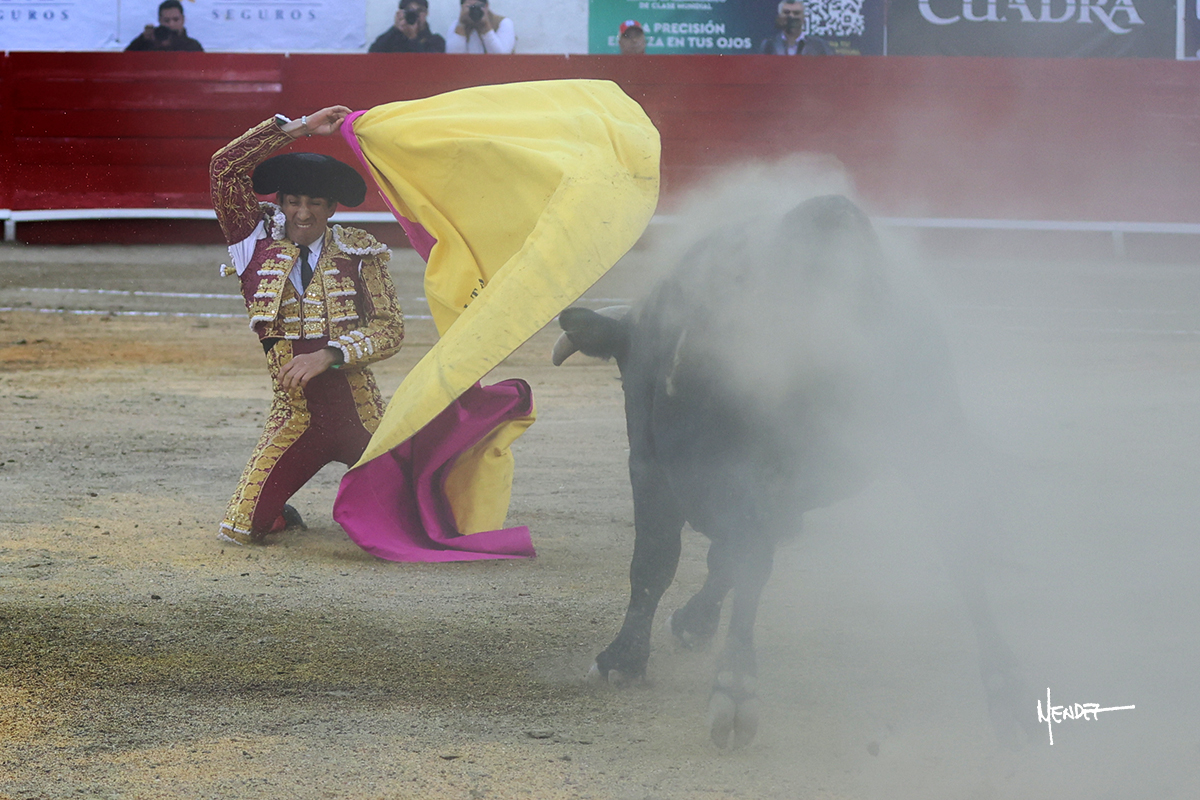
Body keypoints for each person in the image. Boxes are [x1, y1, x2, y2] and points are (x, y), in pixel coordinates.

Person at [208, 106, 405, 546]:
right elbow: (224, 168)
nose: (302, 212)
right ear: (279, 203)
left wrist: (330, 354)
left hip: (362, 416)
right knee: (239, 530)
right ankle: (279, 512)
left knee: (412, 524)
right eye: (293, 201)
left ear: (331, 207)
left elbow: (390, 328)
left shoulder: (360, 253)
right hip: (294, 416)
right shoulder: (252, 243)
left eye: (314, 203)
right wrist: (298, 129)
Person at [759, 0, 834, 56]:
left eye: (796, 13)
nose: (791, 16)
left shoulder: (819, 46)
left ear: (804, 18)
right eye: (786, 12)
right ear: (779, 17)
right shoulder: (768, 45)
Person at [368, 0, 446, 53]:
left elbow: (429, 65)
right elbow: (372, 56)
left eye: (419, 11)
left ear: (426, 13)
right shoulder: (393, 39)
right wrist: (395, 28)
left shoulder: (436, 41)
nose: (415, 15)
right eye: (410, 11)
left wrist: (412, 38)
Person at [125, 0, 204, 52]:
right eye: (166, 20)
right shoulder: (147, 43)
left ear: (183, 20)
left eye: (176, 19)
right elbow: (124, 61)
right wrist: (142, 40)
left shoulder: (193, 47)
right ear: (160, 20)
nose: (171, 24)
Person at [446, 0, 515, 54]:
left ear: (486, 6)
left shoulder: (503, 23)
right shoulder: (456, 25)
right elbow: (453, 57)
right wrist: (461, 25)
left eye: (478, 6)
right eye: (470, 7)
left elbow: (501, 57)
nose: (474, 10)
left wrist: (486, 27)